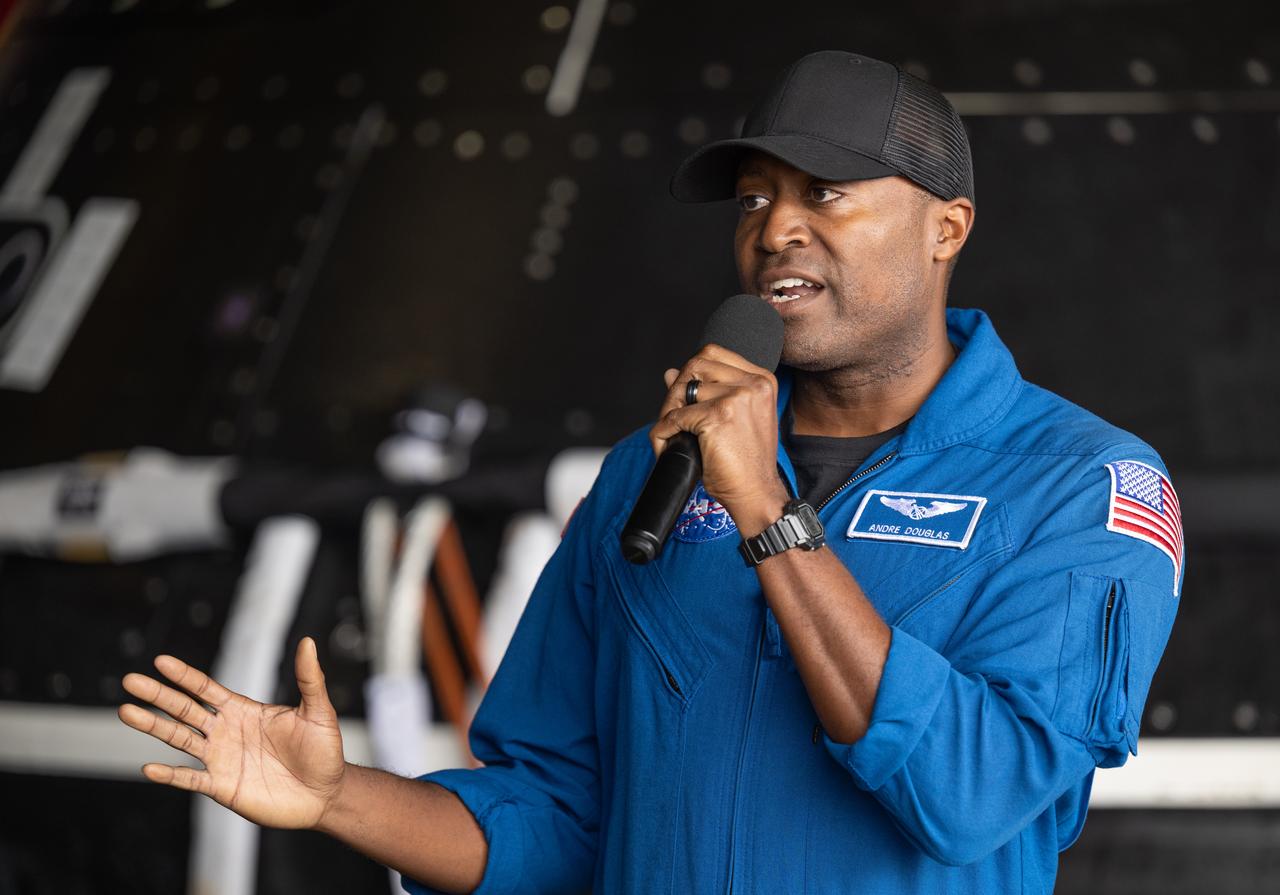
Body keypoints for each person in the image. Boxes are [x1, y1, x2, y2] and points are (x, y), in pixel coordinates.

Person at [118, 50, 1182, 894]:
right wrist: (341, 796)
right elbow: (558, 813)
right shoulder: (654, 466)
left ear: (945, 227)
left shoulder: (1079, 488)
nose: (775, 230)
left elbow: (968, 790)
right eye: (753, 201)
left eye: (824, 191)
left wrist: (763, 508)